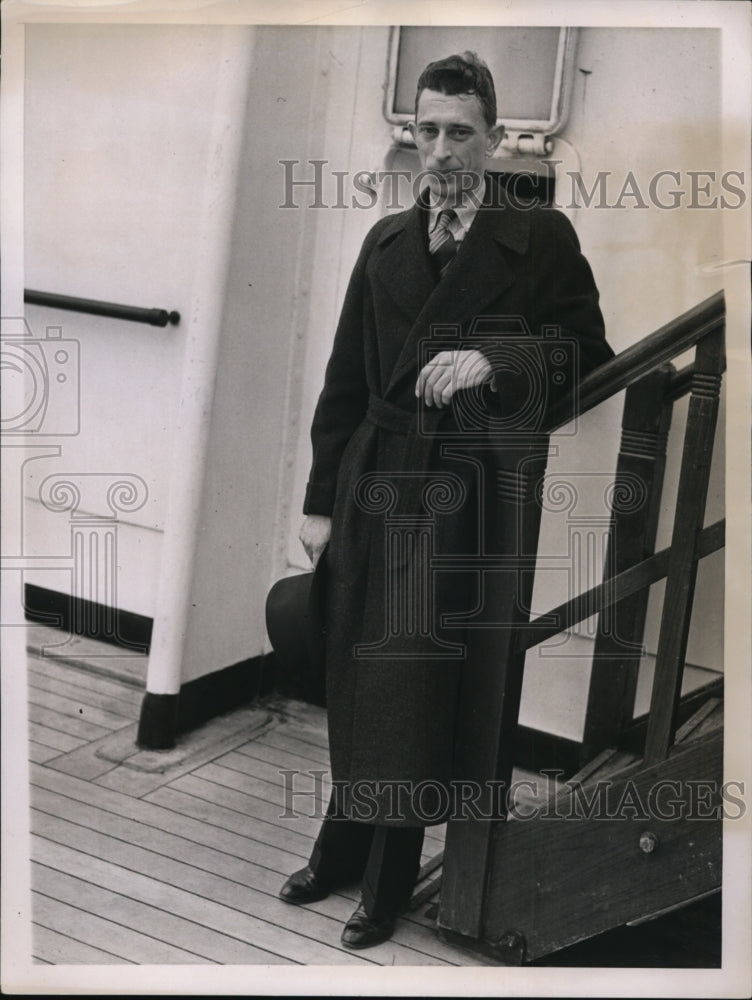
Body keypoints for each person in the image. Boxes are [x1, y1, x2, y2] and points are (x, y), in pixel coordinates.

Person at [278, 51, 613, 949]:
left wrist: (498, 361)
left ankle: (384, 881)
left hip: (463, 498)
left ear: (496, 138)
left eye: (460, 131)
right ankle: (343, 843)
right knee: (355, 667)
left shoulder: (537, 239)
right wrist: (318, 501)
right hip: (372, 476)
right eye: (425, 130)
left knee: (415, 686)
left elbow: (592, 355)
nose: (440, 149)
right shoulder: (386, 237)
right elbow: (345, 379)